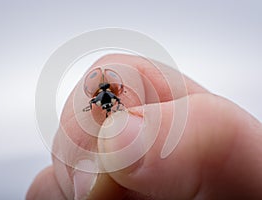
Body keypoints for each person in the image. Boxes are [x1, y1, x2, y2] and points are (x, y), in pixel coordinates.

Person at [27, 54, 262, 200]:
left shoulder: (108, 95)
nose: (107, 106)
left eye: (107, 102)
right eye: (104, 103)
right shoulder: (108, 94)